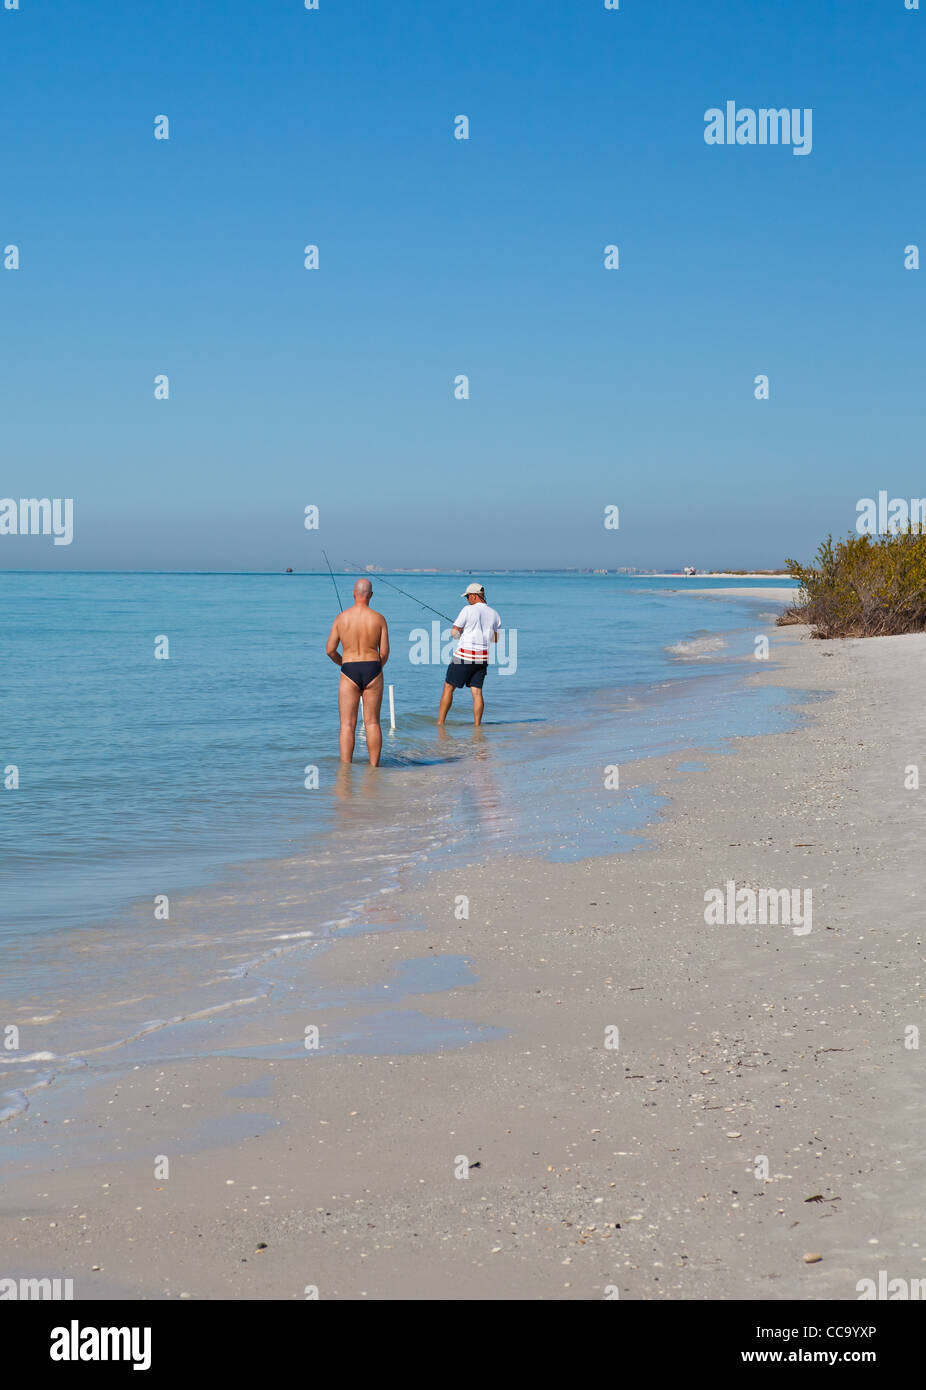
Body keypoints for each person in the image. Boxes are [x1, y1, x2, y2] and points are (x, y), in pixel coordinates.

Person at [325, 578, 390, 765]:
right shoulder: (379, 618)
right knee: (372, 722)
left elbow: (329, 650)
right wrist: (377, 668)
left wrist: (343, 663)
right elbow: (384, 653)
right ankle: (374, 767)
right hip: (373, 668)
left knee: (347, 725)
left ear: (354, 594)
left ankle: (346, 770)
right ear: (370, 595)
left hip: (349, 669)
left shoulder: (341, 618)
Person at [437, 583, 501, 727]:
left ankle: (440, 723)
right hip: (482, 658)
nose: (467, 600)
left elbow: (454, 633)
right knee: (477, 692)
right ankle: (477, 726)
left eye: (467, 597)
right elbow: (495, 639)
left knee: (448, 687)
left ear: (474, 595)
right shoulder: (494, 614)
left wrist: (460, 633)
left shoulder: (467, 610)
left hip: (464, 657)